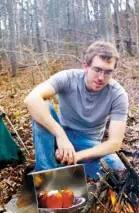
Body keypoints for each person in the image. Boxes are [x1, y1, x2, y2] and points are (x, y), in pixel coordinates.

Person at [24, 41, 129, 178]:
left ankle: (65, 165)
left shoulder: (118, 94)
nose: (101, 78)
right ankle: (46, 175)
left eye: (108, 72)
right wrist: (60, 136)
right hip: (60, 135)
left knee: (116, 169)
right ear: (86, 66)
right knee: (43, 105)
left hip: (89, 144)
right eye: (97, 70)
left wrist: (77, 156)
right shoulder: (68, 78)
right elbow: (31, 99)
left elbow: (115, 143)